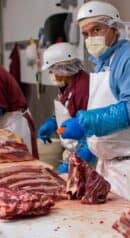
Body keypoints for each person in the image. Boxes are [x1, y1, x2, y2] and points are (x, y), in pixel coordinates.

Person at [59, 1, 130, 203]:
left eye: (97, 29)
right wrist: (86, 150)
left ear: (113, 27)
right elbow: (105, 114)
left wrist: (85, 122)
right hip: (111, 166)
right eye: (86, 33)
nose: (91, 38)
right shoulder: (102, 64)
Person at [37, 42, 94, 172]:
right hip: (72, 151)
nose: (51, 75)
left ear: (63, 69)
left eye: (52, 70)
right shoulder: (67, 84)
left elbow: (91, 133)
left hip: (86, 157)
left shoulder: (83, 87)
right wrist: (52, 122)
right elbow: (67, 109)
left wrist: (75, 162)